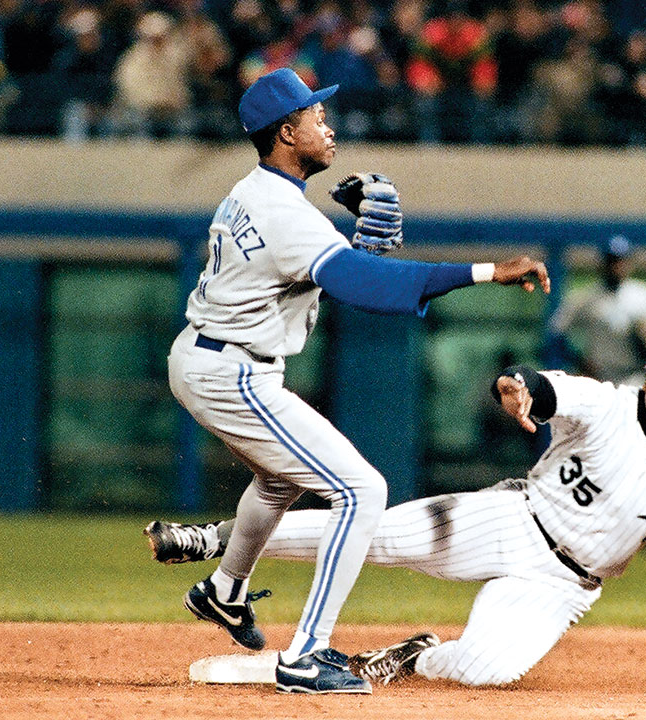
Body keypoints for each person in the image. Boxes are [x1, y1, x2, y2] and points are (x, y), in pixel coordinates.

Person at [147, 331, 646, 691]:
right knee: (376, 533)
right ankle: (211, 539)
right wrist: (518, 389)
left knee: (486, 671)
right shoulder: (608, 402)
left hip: (563, 585)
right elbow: (541, 385)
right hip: (510, 518)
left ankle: (410, 658)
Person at [166, 66, 550, 696]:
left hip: (213, 358)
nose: (329, 124)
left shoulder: (256, 192)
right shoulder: (284, 215)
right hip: (229, 370)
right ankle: (307, 655)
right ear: (287, 132)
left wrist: (347, 241)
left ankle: (226, 590)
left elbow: (312, 263)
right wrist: (485, 271)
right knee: (361, 491)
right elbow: (374, 289)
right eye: (316, 117)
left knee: (277, 480)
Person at [549, 234, 646, 387]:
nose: (616, 265)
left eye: (620, 260)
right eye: (611, 260)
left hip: (635, 375)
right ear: (602, 262)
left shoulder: (643, 295)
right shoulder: (587, 297)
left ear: (629, 262)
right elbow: (556, 332)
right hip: (600, 377)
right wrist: (577, 359)